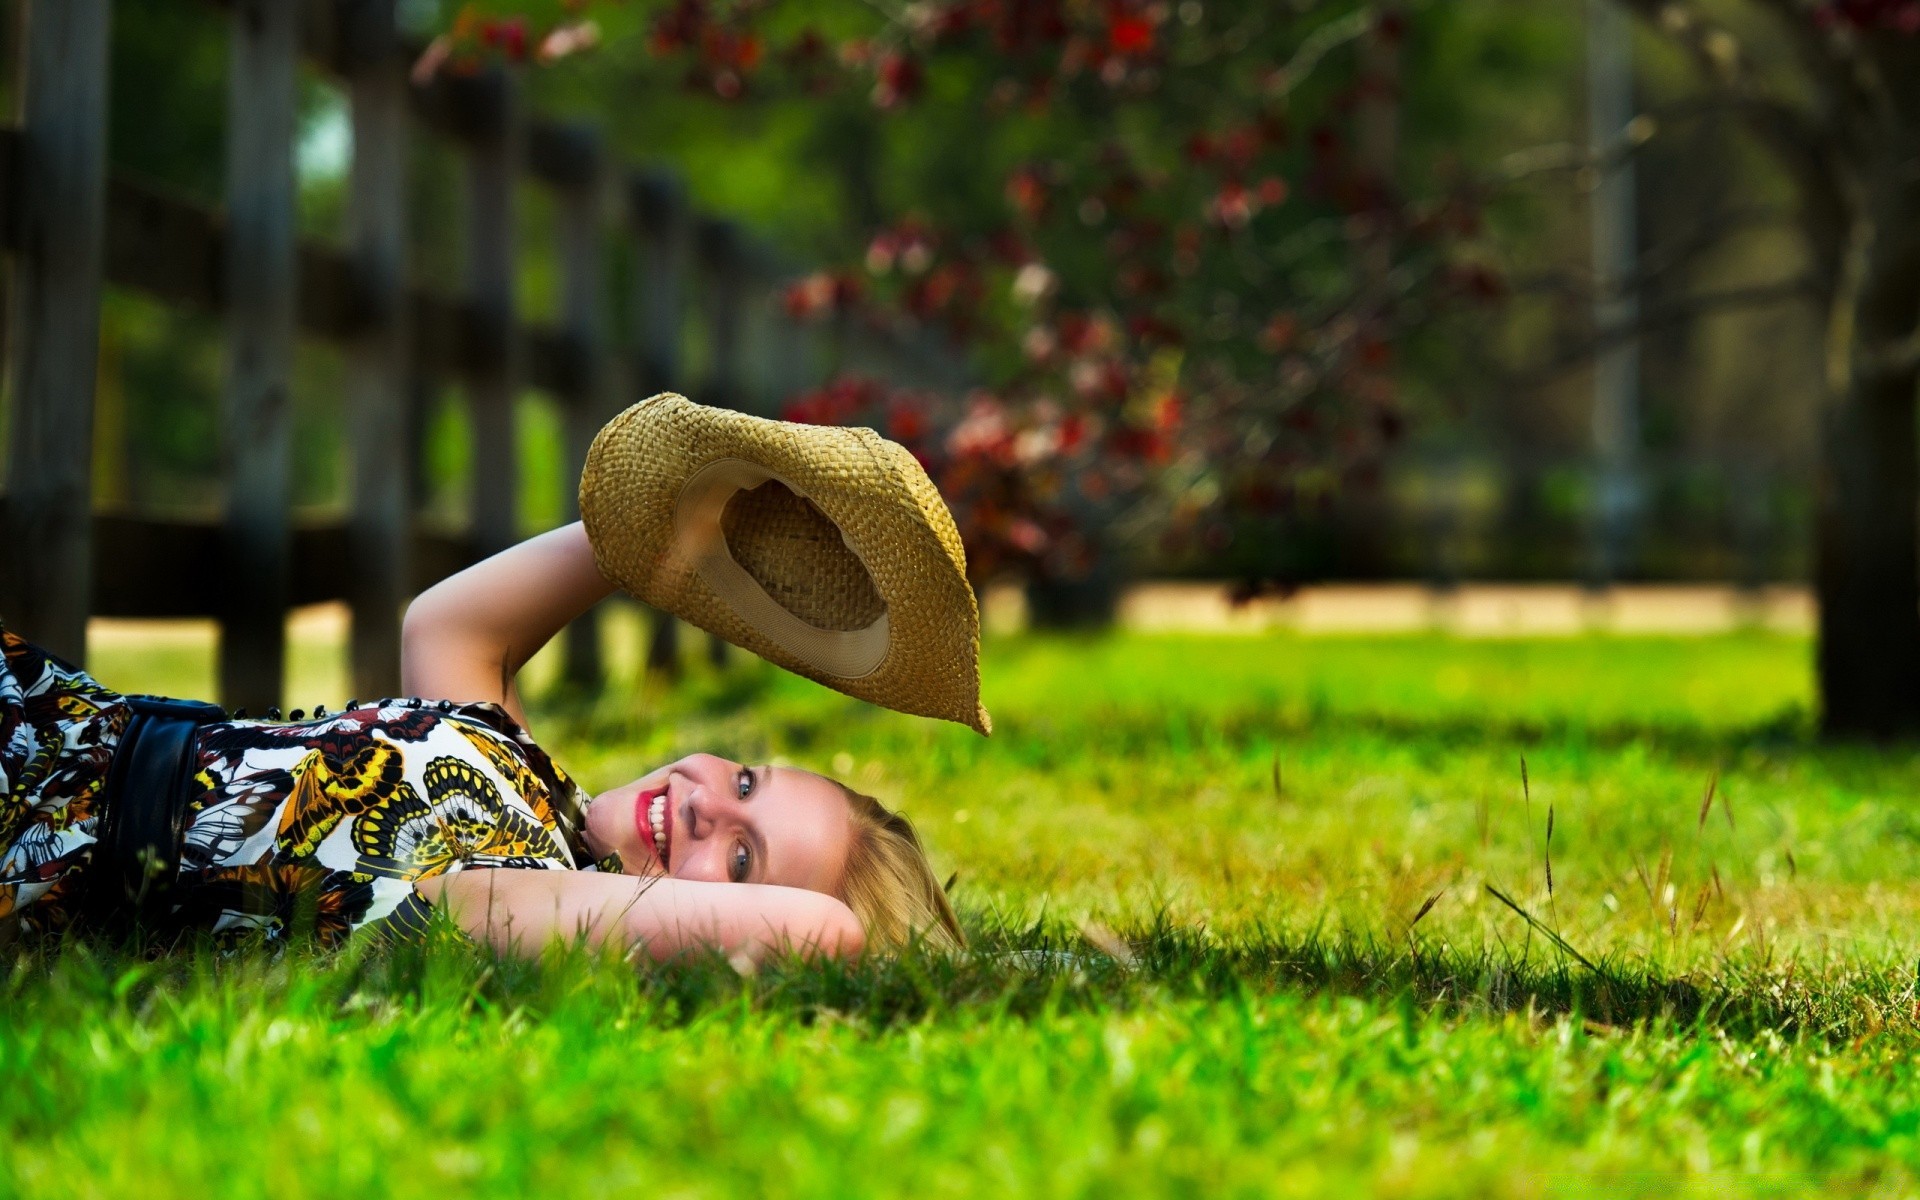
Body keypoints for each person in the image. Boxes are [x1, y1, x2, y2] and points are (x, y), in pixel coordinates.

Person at [0, 395, 987, 964]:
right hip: (58, 723)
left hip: (44, 840)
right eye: (742, 783)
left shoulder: (533, 906)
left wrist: (850, 928)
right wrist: (674, 531)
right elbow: (451, 623)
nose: (702, 811)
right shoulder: (528, 776)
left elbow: (823, 935)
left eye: (739, 861)